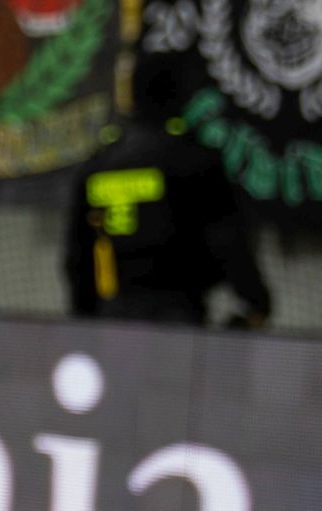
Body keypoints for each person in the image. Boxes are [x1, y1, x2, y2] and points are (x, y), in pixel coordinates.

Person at [63, 60, 271, 329]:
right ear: (179, 94)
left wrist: (83, 318)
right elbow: (227, 239)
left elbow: (77, 255)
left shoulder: (99, 164)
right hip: (178, 314)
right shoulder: (191, 159)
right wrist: (256, 300)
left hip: (114, 315)